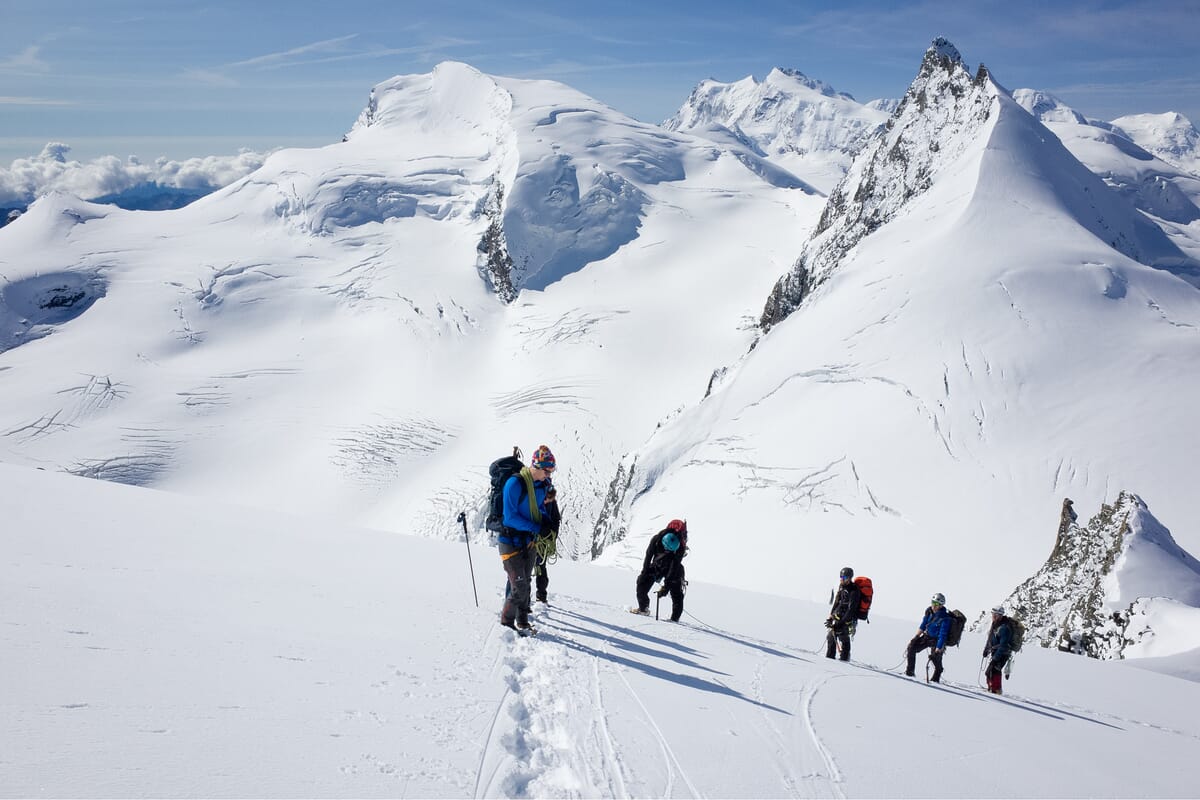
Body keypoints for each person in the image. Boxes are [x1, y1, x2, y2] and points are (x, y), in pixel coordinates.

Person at [497, 445, 556, 633]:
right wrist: (537, 527)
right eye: (547, 470)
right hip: (509, 542)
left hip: (529, 541)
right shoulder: (514, 484)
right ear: (537, 467)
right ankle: (506, 624)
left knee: (526, 584)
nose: (549, 475)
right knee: (519, 586)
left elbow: (538, 508)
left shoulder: (541, 486)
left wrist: (547, 522)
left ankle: (522, 621)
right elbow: (509, 517)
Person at [633, 519, 688, 621]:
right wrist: (644, 573)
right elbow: (648, 556)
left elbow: (674, 567)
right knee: (641, 583)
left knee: (677, 594)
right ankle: (643, 608)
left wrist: (666, 587)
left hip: (672, 566)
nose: (667, 550)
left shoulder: (680, 548)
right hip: (657, 564)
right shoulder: (656, 539)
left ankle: (674, 619)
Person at [905, 592, 952, 682]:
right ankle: (910, 672)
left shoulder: (945, 618)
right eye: (933, 602)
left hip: (937, 640)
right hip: (927, 637)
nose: (934, 606)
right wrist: (916, 637)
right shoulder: (929, 612)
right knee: (911, 648)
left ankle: (937, 674)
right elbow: (923, 625)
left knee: (935, 658)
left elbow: (942, 635)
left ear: (941, 605)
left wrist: (938, 649)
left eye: (936, 604)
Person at [534, 479, 561, 603]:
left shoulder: (550, 502)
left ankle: (541, 595)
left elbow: (555, 519)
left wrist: (551, 535)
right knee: (537, 567)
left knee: (539, 567)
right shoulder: (534, 499)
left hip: (542, 540)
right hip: (534, 538)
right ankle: (538, 596)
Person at [825, 567, 861, 660]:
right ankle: (829, 659)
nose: (842, 579)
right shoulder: (841, 587)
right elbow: (837, 602)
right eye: (841, 577)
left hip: (846, 620)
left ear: (849, 578)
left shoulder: (854, 591)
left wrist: (842, 622)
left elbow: (851, 610)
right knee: (831, 636)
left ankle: (844, 661)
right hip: (838, 616)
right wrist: (831, 616)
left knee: (843, 637)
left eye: (844, 577)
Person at [982, 605, 1014, 694]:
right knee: (991, 671)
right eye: (993, 614)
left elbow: (1003, 646)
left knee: (994, 670)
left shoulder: (1004, 628)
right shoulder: (995, 625)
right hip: (996, 652)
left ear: (1001, 615)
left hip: (1003, 653)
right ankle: (992, 688)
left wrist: (995, 658)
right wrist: (986, 649)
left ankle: (996, 690)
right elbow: (990, 638)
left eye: (996, 614)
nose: (994, 616)